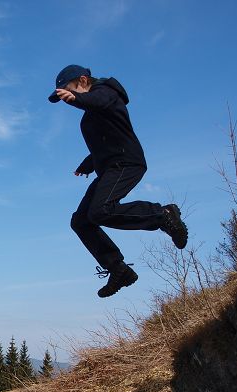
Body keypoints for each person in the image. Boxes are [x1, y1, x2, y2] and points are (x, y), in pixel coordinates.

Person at [48, 64, 188, 297]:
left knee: (100, 211)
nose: (68, 100)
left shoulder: (107, 93)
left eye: (69, 91)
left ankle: (163, 215)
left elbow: (97, 101)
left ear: (83, 81)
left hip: (127, 163)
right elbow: (106, 141)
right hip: (109, 169)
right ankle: (118, 269)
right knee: (81, 221)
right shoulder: (90, 116)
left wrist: (77, 99)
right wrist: (88, 163)